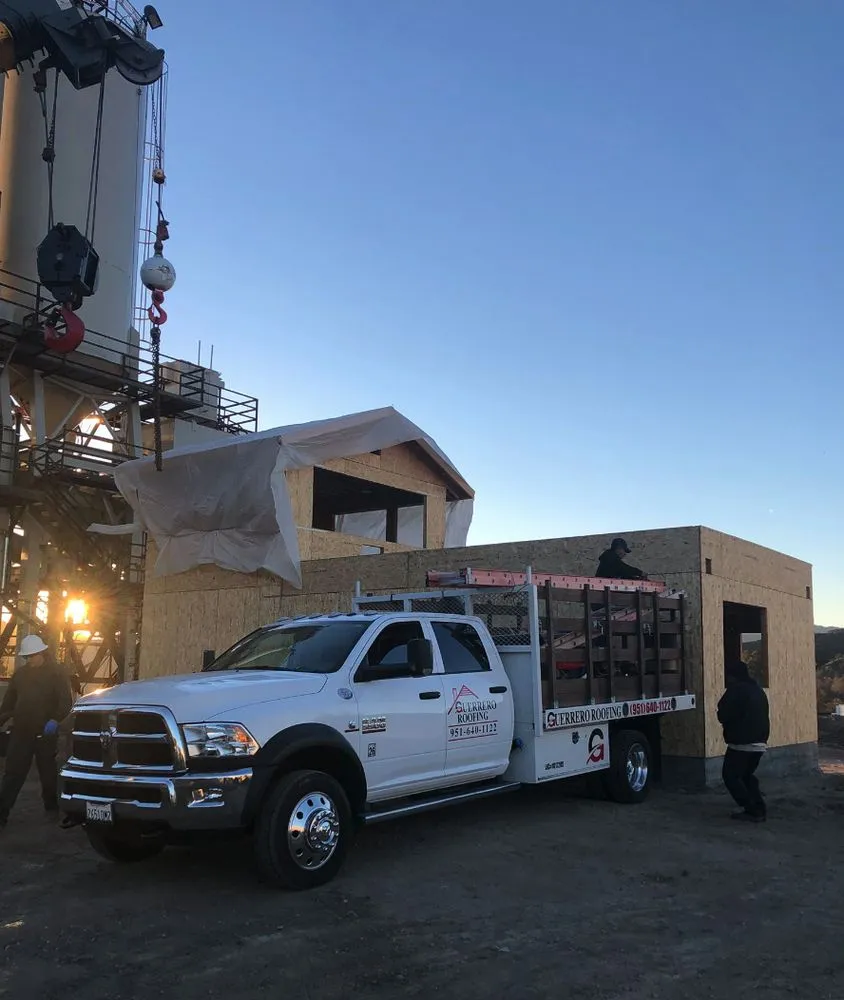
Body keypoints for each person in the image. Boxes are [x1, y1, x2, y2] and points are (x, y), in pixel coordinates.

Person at [0, 634, 73, 828]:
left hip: (44, 732)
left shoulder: (56, 673)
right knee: (13, 774)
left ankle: (52, 808)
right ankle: (1, 814)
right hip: (21, 730)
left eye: (32, 656)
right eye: (27, 657)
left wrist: (55, 720)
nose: (29, 660)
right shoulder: (20, 676)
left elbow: (66, 701)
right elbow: (8, 704)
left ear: (41, 653)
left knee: (47, 773)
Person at [716, 660, 770, 823]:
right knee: (746, 775)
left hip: (741, 743)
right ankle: (759, 807)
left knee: (730, 776)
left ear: (732, 676)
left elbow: (723, 714)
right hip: (759, 742)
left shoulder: (736, 690)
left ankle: (751, 809)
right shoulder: (757, 689)